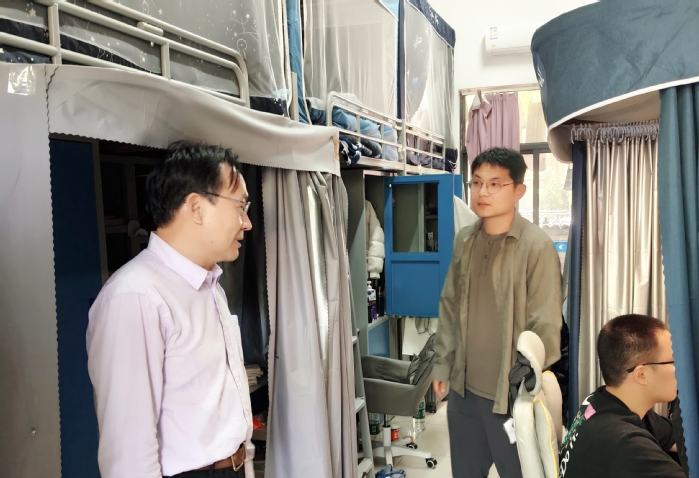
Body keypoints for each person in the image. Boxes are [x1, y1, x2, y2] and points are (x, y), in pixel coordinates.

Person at [87, 141, 254, 478]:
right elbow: (128, 456)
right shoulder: (136, 296)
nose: (247, 223)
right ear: (196, 207)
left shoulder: (210, 285)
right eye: (240, 207)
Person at [431, 147, 562, 478]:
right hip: (463, 393)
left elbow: (545, 327)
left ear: (518, 190)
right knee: (465, 472)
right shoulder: (465, 239)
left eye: (494, 184)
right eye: (476, 183)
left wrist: (526, 385)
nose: (482, 192)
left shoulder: (536, 246)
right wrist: (443, 364)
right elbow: (449, 305)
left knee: (517, 471)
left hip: (510, 398)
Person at [559, 314, 685, 478]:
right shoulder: (625, 443)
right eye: (673, 361)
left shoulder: (601, 400)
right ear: (641, 375)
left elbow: (677, 439)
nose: (681, 369)